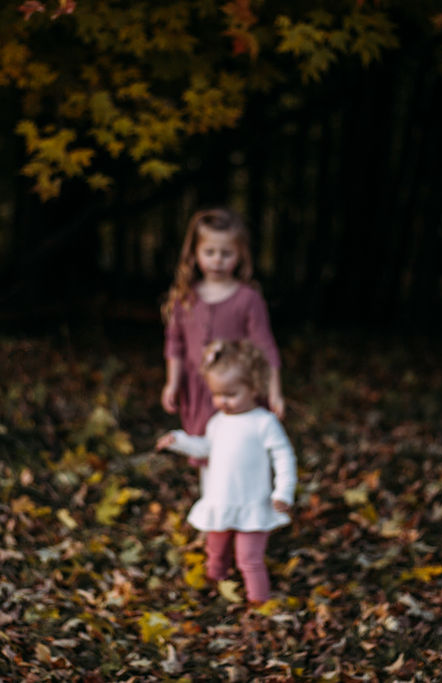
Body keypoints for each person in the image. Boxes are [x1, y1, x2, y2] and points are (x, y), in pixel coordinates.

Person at [156, 339, 296, 605]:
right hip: (221, 501)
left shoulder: (264, 423)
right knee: (215, 551)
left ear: (254, 388)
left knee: (249, 558)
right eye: (217, 395)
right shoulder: (218, 422)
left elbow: (284, 456)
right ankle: (214, 590)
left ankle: (260, 603)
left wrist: (284, 491)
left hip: (254, 503)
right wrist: (179, 441)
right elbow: (206, 449)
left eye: (231, 394)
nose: (223, 402)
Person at [161, 207, 284, 444]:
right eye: (209, 252)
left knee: (238, 447)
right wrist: (172, 383)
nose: (217, 260)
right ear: (195, 253)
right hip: (199, 391)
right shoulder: (185, 298)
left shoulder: (248, 299)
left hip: (238, 390)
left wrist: (275, 392)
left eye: (226, 253)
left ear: (240, 254)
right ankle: (209, 483)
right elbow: (175, 345)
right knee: (202, 446)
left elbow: (266, 347)